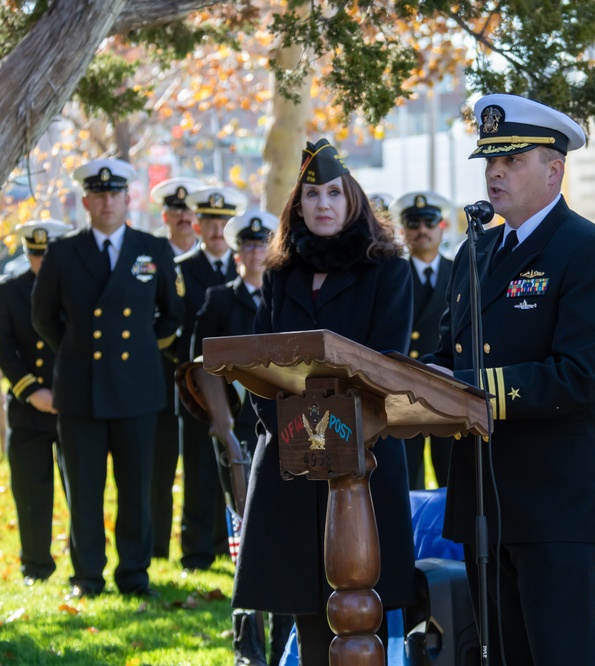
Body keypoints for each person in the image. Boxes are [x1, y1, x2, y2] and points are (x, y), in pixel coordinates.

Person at [423, 94, 595, 666]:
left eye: (512, 160)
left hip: (551, 500)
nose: (495, 172)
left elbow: (579, 376)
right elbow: (449, 354)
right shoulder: (477, 249)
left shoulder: (591, 251)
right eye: (490, 160)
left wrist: (463, 388)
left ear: (554, 170)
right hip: (483, 495)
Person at [232, 139, 416, 664]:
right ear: (298, 206)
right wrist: (296, 432)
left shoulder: (387, 270)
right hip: (292, 461)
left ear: (352, 200)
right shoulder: (278, 274)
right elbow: (258, 366)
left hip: (363, 458)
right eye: (311, 195)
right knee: (306, 607)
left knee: (363, 610)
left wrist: (328, 431)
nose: (323, 205)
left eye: (333, 193)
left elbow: (386, 363)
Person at [31, 158, 184, 598]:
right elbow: (43, 317)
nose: (107, 201)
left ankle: (134, 575)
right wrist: (79, 349)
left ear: (127, 198)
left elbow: (171, 314)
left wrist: (136, 348)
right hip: (81, 389)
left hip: (137, 388)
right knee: (84, 490)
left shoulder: (152, 249)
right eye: (98, 194)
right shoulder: (62, 252)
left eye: (115, 193)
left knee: (136, 488)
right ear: (85, 201)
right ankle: (87, 577)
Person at [191, 209, 287, 666]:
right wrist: (225, 433)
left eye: (260, 246)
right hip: (238, 436)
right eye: (246, 246)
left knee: (283, 540)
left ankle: (286, 637)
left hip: (283, 428)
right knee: (243, 542)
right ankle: (247, 646)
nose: (253, 253)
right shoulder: (218, 301)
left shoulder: (284, 297)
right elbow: (200, 369)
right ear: (235, 255)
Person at [0, 220, 74, 586]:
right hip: (28, 409)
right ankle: (35, 566)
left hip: (72, 407)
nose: (40, 263)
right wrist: (32, 392)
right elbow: (3, 348)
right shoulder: (10, 290)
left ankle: (85, 566)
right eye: (33, 255)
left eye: (46, 256)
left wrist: (70, 391)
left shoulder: (78, 288)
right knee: (30, 492)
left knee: (81, 492)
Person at [176, 185, 246, 571]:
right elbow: (173, 325)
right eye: (209, 221)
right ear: (197, 225)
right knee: (200, 470)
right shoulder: (181, 270)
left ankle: (229, 542)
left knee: (238, 463)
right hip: (197, 389)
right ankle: (197, 550)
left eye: (223, 221)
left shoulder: (252, 270)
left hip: (241, 389)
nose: (217, 228)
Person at [148, 176, 204, 559]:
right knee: (158, 466)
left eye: (189, 211)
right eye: (176, 211)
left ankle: (209, 543)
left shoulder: (213, 257)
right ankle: (154, 547)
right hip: (157, 375)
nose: (183, 217)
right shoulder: (150, 258)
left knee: (204, 465)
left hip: (201, 381)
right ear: (164, 215)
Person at [389, 190, 454, 489]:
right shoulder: (392, 276)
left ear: (442, 226)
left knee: (452, 481)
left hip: (449, 390)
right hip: (404, 393)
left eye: (430, 222)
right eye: (414, 224)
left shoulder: (461, 273)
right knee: (407, 485)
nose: (422, 230)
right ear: (403, 231)